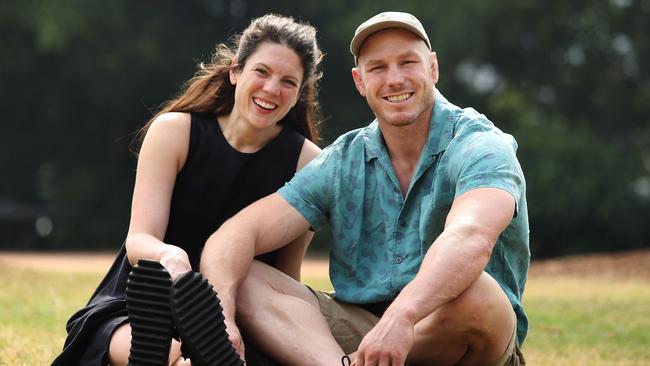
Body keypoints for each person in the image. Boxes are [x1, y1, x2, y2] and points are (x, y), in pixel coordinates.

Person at [200, 11, 529, 366]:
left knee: (480, 297)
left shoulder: (480, 145)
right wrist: (221, 319)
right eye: (378, 68)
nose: (395, 79)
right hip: (359, 335)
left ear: (432, 68)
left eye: (408, 63)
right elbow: (237, 232)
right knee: (245, 275)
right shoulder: (343, 159)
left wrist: (402, 317)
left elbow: (470, 236)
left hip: (452, 335)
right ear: (360, 81)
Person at [51, 13, 323, 366]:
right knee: (121, 329)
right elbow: (139, 240)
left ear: (300, 93)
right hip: (146, 296)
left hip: (234, 315)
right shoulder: (175, 132)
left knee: (232, 352)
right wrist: (173, 260)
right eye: (262, 72)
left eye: (289, 82)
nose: (272, 90)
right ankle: (175, 353)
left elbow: (284, 276)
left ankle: (182, 355)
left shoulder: (308, 164)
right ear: (235, 71)